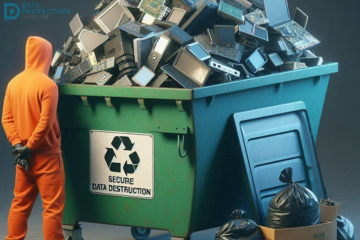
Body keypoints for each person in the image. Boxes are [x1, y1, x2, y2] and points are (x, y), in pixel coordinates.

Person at [2, 36, 65, 240]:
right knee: (52, 208)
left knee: (20, 203)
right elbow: (46, 123)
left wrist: (19, 145)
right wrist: (30, 147)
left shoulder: (13, 83)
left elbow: (6, 118)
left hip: (23, 158)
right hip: (46, 156)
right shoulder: (49, 86)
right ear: (46, 56)